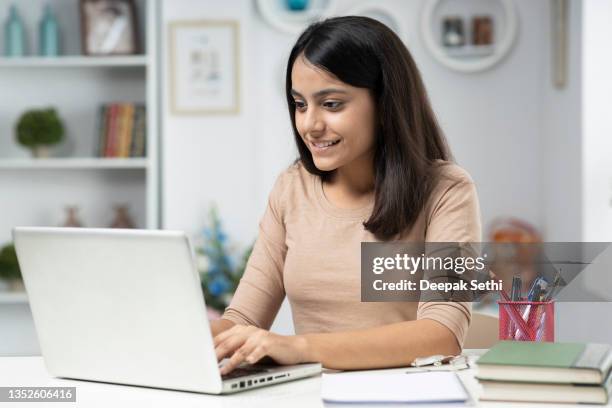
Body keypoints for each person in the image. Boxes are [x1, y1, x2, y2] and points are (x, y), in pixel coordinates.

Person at [210, 16, 481, 375]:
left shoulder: (447, 189)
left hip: (403, 396)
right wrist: (168, 336)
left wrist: (298, 346)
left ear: (385, 103)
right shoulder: (291, 188)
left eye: (332, 104)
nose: (309, 124)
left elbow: (441, 334)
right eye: (300, 104)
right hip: (309, 396)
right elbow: (242, 319)